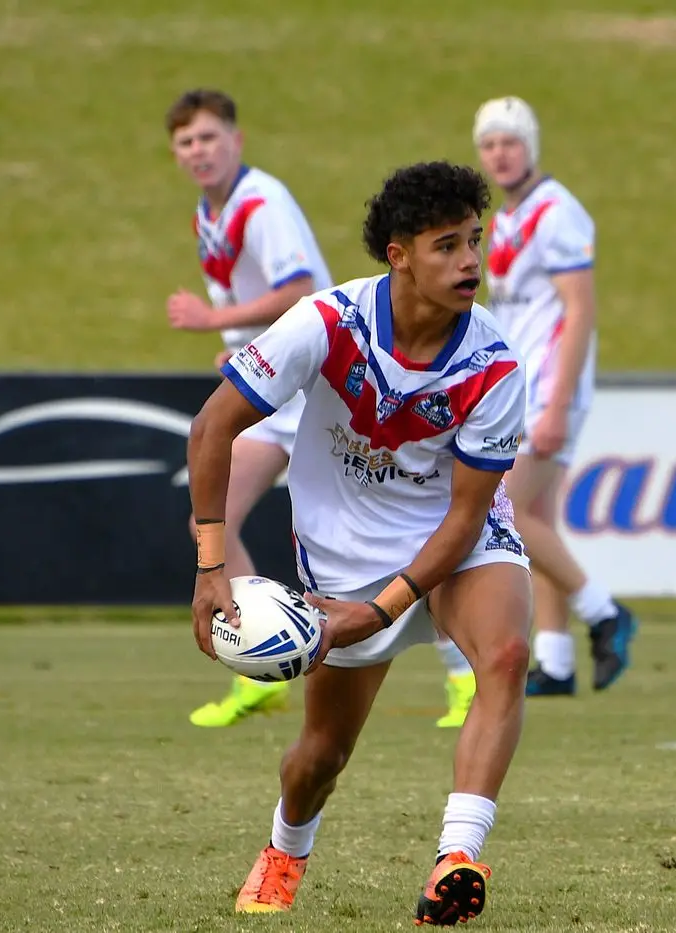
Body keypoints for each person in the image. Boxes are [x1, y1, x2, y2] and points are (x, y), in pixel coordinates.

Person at [187, 161, 533, 925]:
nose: (470, 260)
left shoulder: (495, 365)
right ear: (399, 254)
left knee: (506, 657)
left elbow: (467, 519)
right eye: (447, 245)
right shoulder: (325, 322)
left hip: (454, 540)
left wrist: (378, 612)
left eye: (475, 240)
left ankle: (457, 857)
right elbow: (213, 427)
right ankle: (285, 848)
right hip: (341, 557)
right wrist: (212, 566)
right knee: (321, 754)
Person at [165, 88, 334, 728]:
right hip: (270, 394)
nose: (198, 151)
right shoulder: (208, 214)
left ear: (236, 140)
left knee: (359, 543)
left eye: (209, 137)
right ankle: (257, 667)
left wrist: (216, 321)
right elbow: (261, 306)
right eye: (186, 142)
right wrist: (234, 345)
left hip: (315, 386)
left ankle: (462, 676)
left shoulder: (261, 202)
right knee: (209, 521)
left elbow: (301, 290)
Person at [469, 96, 637, 697]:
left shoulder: (558, 211)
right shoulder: (508, 217)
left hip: (549, 390)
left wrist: (559, 403)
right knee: (536, 518)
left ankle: (604, 613)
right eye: (489, 144)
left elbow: (579, 307)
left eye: (510, 141)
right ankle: (559, 662)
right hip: (518, 388)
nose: (500, 154)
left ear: (531, 146)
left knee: (504, 509)